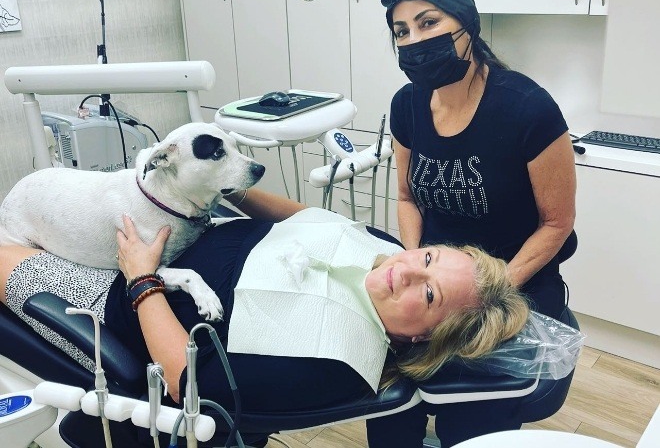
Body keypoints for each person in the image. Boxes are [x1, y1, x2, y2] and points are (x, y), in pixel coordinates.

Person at [0, 187, 529, 445]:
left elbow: (190, 386)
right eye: (429, 256)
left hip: (120, 304)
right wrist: (228, 187)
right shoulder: (387, 248)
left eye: (430, 294)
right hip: (175, 232)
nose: (408, 270)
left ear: (422, 340)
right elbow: (310, 219)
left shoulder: (331, 360)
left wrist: (141, 277)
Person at [366, 0, 578, 446]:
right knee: (390, 405)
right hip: (430, 279)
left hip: (514, 280)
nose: (414, 40)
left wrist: (491, 290)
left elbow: (557, 223)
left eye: (429, 22)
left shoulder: (528, 109)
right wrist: (409, 261)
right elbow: (406, 196)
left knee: (472, 419)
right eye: (401, 30)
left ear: (466, 23)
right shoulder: (407, 105)